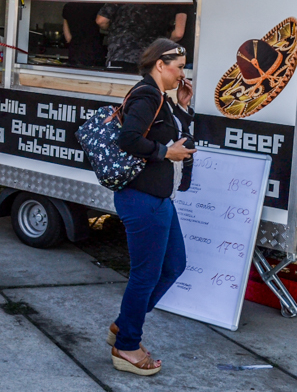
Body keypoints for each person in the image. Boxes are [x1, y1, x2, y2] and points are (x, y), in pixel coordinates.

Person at [106, 38, 195, 376]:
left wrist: (184, 107)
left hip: (159, 199)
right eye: (179, 66)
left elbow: (178, 137)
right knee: (146, 274)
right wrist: (164, 153)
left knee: (175, 265)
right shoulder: (147, 94)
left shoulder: (163, 98)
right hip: (142, 199)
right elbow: (128, 139)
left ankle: (124, 324)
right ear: (161, 64)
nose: (182, 74)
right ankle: (127, 345)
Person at [96, 0, 187, 73]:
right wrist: (163, 44)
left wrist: (118, 29)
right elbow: (178, 33)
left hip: (120, 55)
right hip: (150, 60)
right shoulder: (168, 1)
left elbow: (101, 20)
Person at [61, 0, 105, 67]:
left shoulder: (68, 7)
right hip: (94, 55)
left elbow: (68, 37)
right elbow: (105, 26)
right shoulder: (99, 6)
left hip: (74, 55)